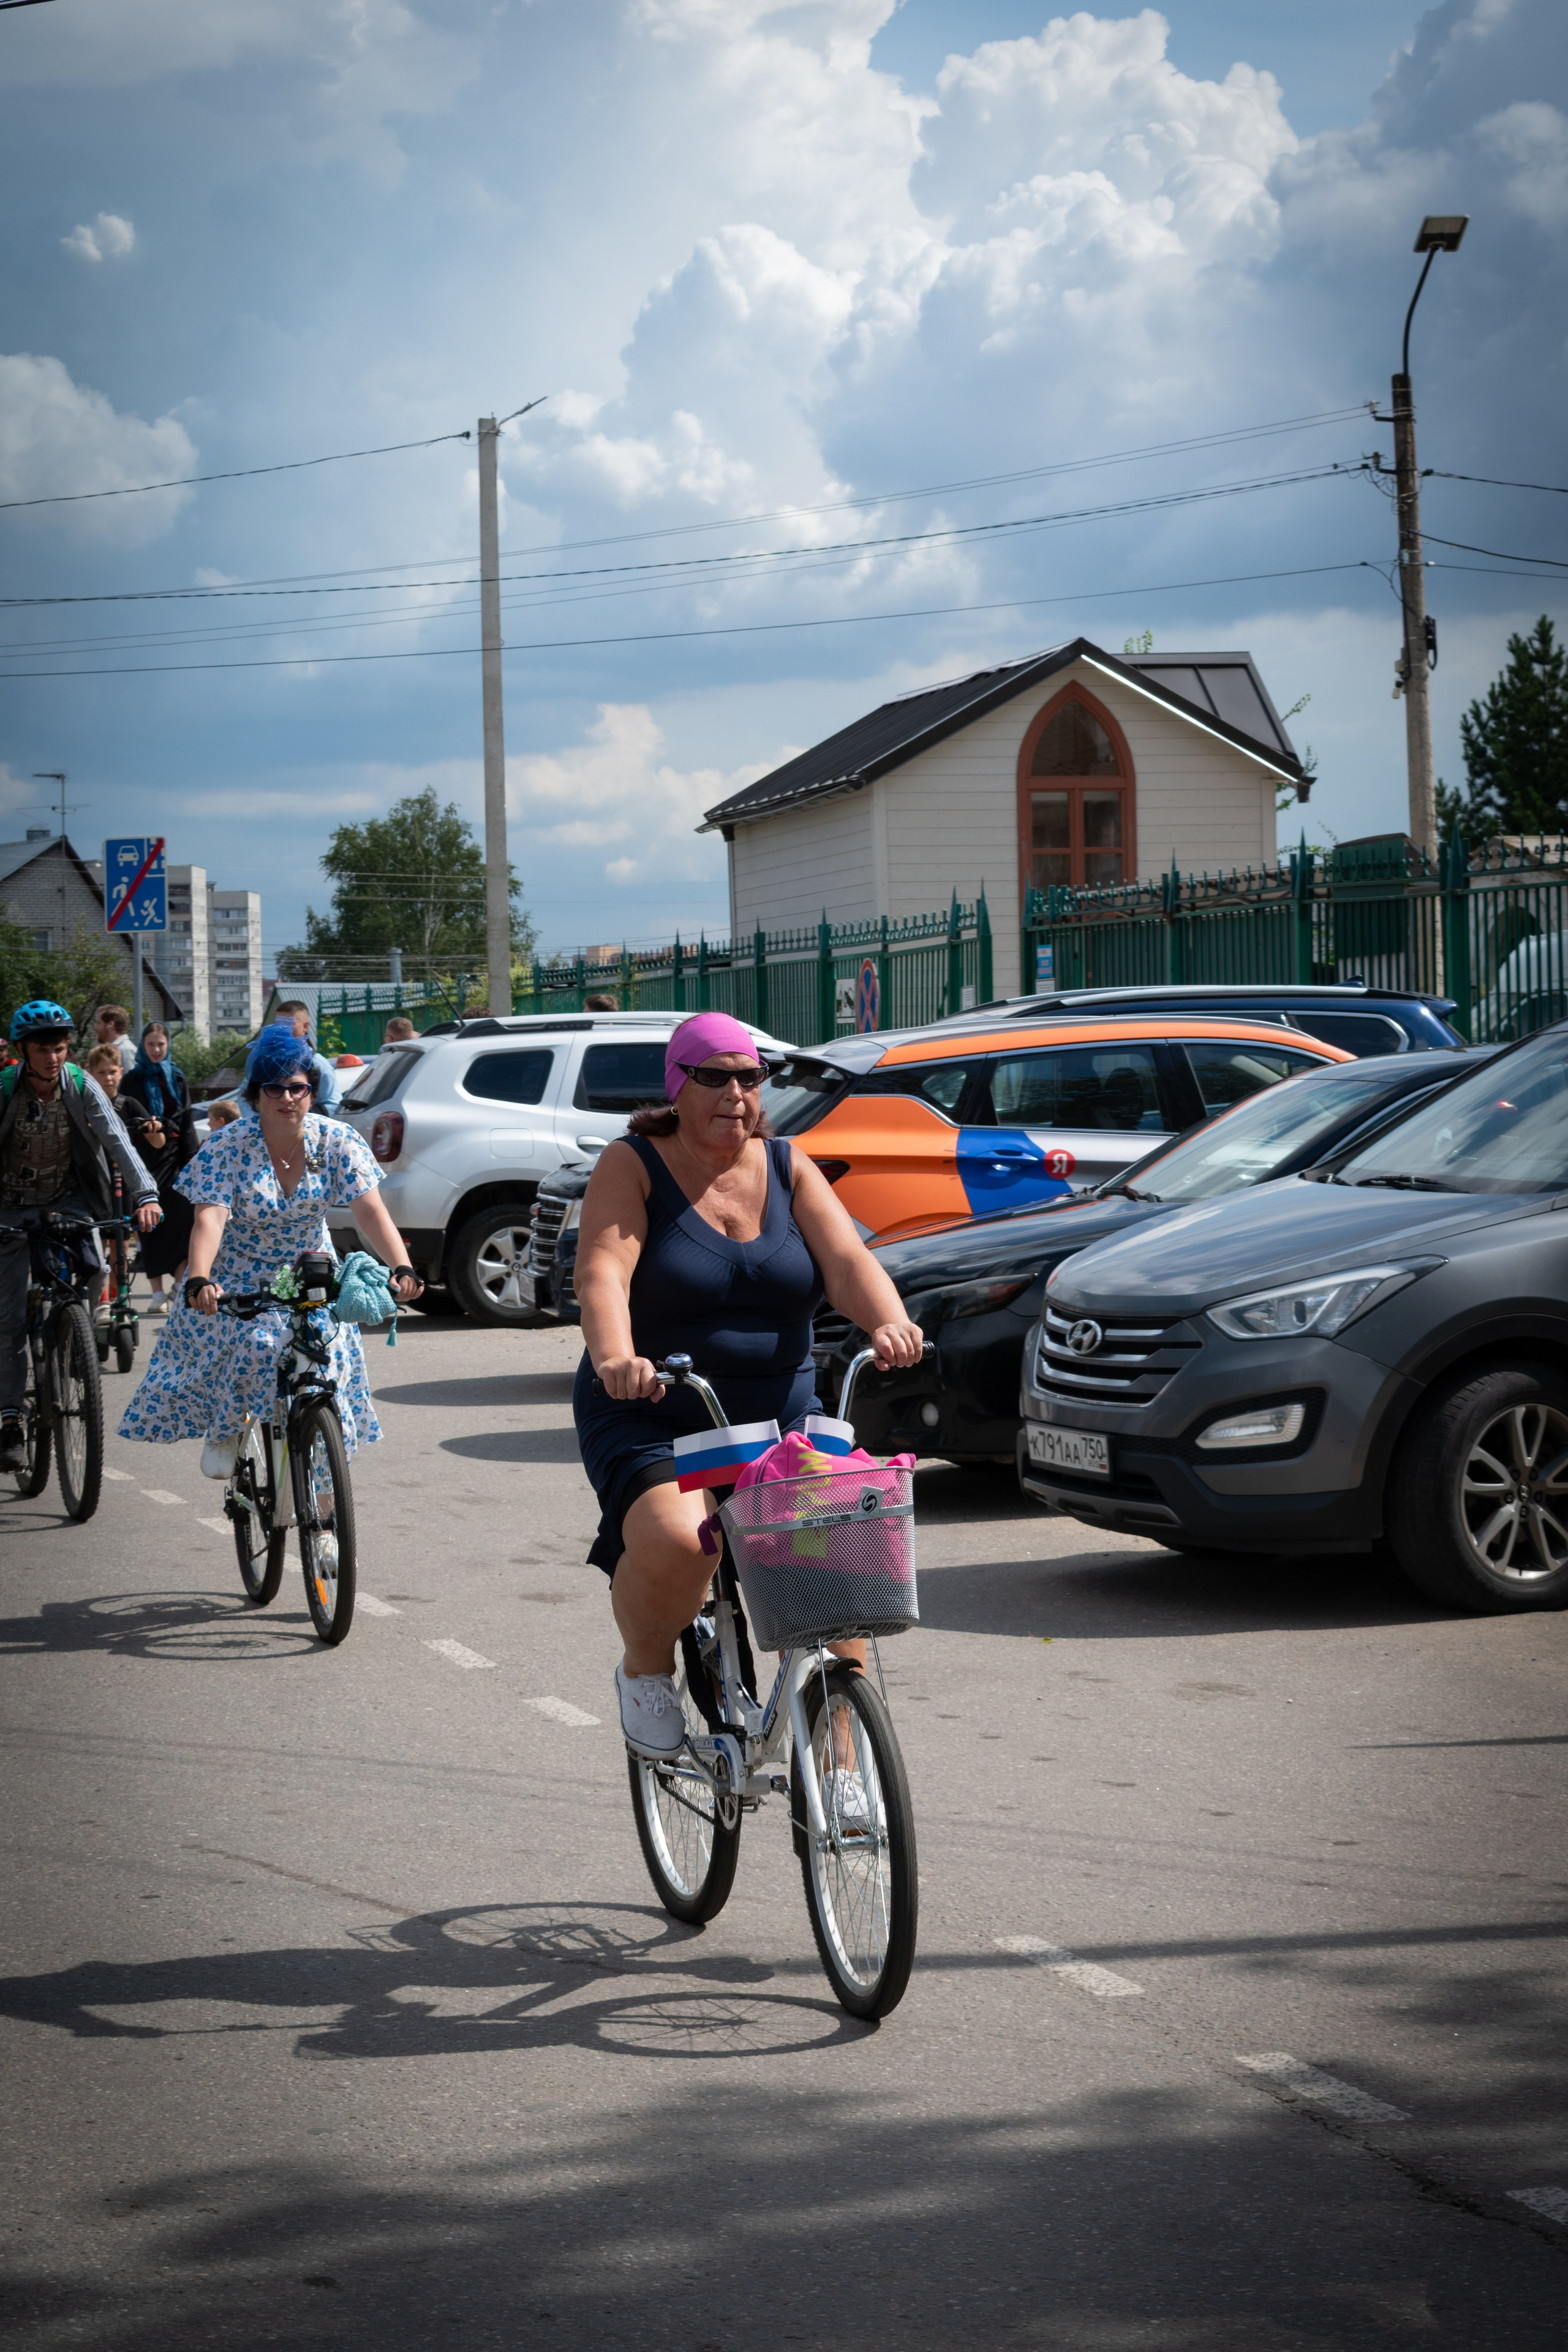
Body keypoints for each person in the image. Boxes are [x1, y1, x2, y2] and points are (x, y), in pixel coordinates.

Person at [572, 1010, 924, 1757]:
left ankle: (843, 1768)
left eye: (749, 1076)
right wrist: (614, 1355)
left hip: (781, 1418)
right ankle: (644, 1670)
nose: (735, 1092)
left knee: (846, 1554)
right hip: (660, 1411)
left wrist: (887, 1322)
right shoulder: (633, 1162)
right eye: (714, 1076)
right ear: (678, 1085)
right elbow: (603, 1267)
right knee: (682, 1540)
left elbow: (848, 1264)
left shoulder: (789, 1164)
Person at [119, 1026, 423, 1478]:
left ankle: (323, 1522)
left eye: (297, 1087)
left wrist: (402, 1265)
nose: (287, 1098)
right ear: (256, 1095)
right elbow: (210, 1219)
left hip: (311, 1271)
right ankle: (228, 1429)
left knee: (329, 1361)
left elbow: (371, 1212)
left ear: (311, 1091)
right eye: (274, 1088)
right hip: (239, 1273)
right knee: (258, 1346)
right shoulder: (228, 1145)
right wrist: (200, 1276)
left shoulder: (335, 1140)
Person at [0, 1003, 161, 1472]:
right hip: (8, 1205)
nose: (53, 1058)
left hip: (67, 1198)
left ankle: (75, 1342)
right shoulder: (6, 1089)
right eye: (43, 1049)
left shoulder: (80, 1082)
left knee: (98, 1269)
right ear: (23, 1052)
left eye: (61, 1048)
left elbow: (117, 1139)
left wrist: (145, 1195)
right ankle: (9, 1417)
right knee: (7, 1317)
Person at [119, 1023, 198, 1314]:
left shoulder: (177, 1077)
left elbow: (187, 1122)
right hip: (142, 1160)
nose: (156, 1050)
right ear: (143, 1046)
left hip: (174, 1158)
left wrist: (193, 1164)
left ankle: (179, 1284)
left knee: (182, 1221)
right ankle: (156, 1294)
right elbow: (123, 1118)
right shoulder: (131, 1079)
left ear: (168, 1046)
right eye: (151, 1044)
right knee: (148, 1224)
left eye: (161, 1044)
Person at [271, 1001, 342, 1113]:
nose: (282, 1029)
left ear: (305, 1026)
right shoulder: (267, 1060)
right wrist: (260, 1120)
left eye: (288, 1024)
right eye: (278, 1024)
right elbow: (245, 1093)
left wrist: (300, 1116)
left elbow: (333, 1105)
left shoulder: (317, 1063)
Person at [94, 1004, 137, 1075]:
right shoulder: (117, 1049)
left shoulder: (126, 1051)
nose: (96, 1028)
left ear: (111, 1025)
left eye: (99, 1023)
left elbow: (130, 1083)